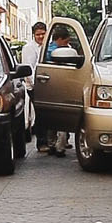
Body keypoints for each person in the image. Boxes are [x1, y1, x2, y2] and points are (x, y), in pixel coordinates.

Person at [40, 24, 80, 156]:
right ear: (60, 39)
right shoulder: (54, 51)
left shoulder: (48, 49)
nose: (67, 44)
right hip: (60, 86)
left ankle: (52, 143)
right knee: (62, 117)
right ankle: (59, 146)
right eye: (66, 41)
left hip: (49, 87)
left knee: (52, 117)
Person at [21, 21, 49, 151]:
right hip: (35, 87)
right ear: (34, 35)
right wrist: (36, 86)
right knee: (41, 114)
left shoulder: (47, 46)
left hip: (46, 85)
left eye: (43, 34)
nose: (41, 37)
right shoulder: (29, 48)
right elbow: (29, 70)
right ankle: (41, 142)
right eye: (38, 34)